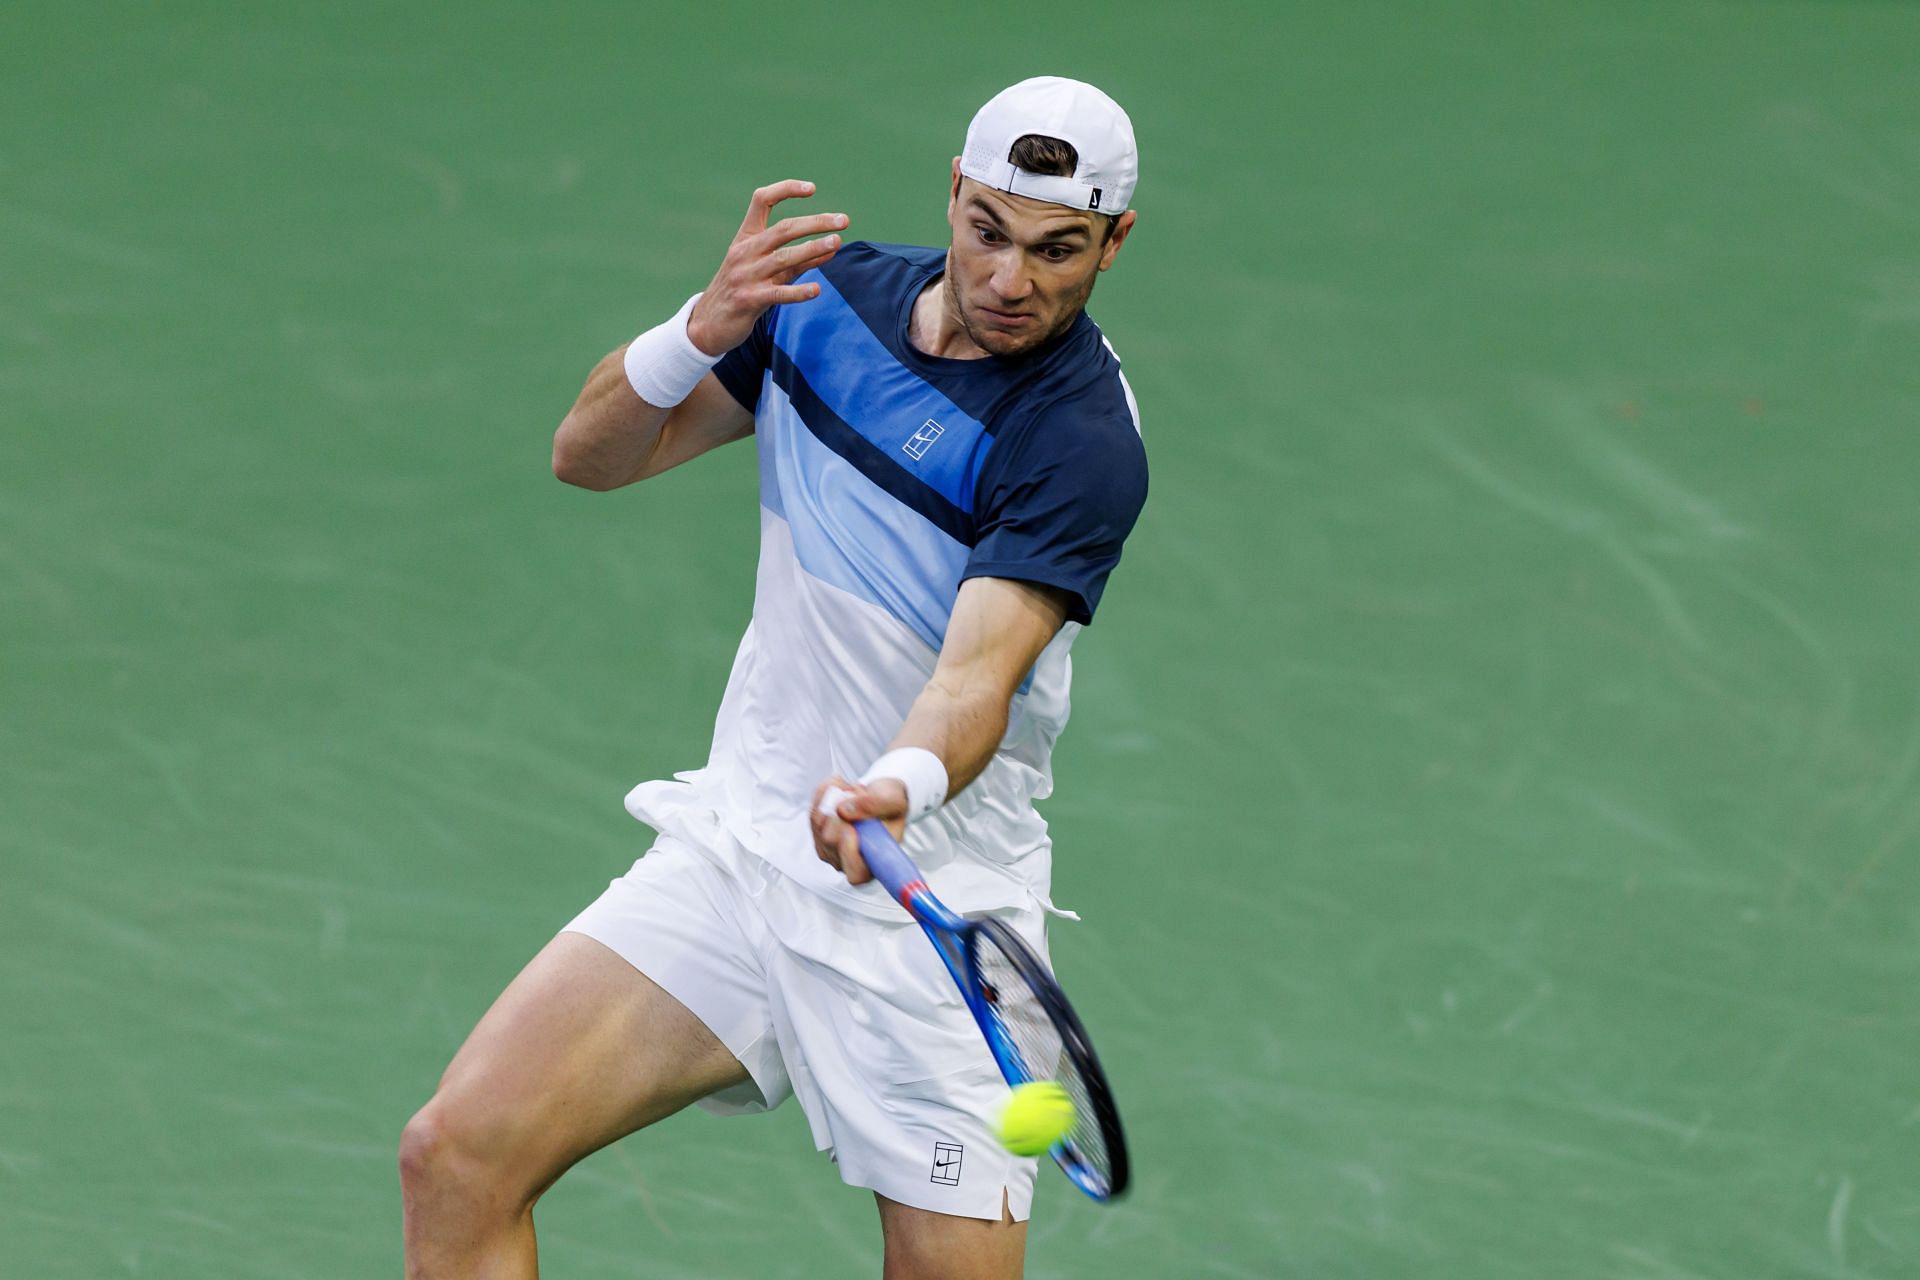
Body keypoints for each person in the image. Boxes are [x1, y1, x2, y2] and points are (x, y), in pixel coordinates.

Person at [399, 76, 1147, 1279]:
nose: (1012, 279)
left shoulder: (1079, 441)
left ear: (1114, 242)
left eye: (1058, 250)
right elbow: (587, 458)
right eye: (989, 232)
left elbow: (975, 680)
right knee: (456, 1155)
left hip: (929, 913)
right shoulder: (827, 305)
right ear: (954, 195)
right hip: (743, 856)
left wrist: (897, 785)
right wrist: (695, 327)